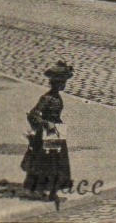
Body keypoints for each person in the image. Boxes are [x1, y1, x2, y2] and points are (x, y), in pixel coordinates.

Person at [21, 61, 75, 204]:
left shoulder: (56, 97)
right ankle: (43, 191)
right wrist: (46, 123)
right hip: (46, 134)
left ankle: (51, 192)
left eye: (64, 82)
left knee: (56, 163)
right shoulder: (47, 98)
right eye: (62, 82)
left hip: (55, 132)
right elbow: (33, 114)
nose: (64, 85)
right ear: (56, 83)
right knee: (48, 163)